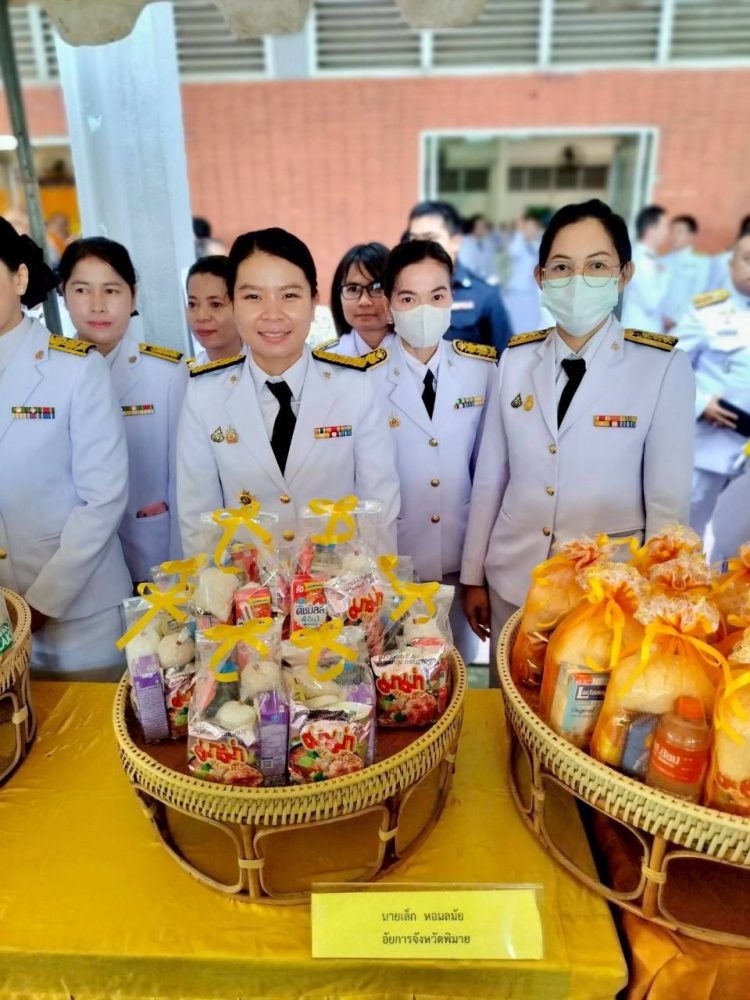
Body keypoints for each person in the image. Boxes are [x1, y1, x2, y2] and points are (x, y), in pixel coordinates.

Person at [460, 199, 695, 682]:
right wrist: (472, 576)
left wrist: (658, 601)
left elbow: (667, 505)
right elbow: (491, 478)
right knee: (510, 701)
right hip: (514, 581)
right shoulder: (516, 360)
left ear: (624, 274)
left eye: (597, 266)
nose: (578, 279)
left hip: (607, 595)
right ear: (541, 277)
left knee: (581, 715)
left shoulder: (660, 367)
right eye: (563, 267)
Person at [177, 227, 401, 552]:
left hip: (341, 580)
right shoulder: (204, 395)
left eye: (289, 295)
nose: (272, 314)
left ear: (313, 301)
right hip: (245, 582)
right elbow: (199, 523)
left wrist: (372, 583)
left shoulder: (355, 386)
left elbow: (379, 509)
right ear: (232, 303)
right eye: (253, 297)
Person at [0, 218, 131, 678]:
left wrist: (39, 604)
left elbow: (104, 498)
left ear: (19, 278)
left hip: (81, 618)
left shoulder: (74, 368)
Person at [369, 239, 495, 663]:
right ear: (388, 304)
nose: (424, 309)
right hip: (393, 566)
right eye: (409, 298)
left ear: (451, 300)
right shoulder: (361, 379)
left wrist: (477, 575)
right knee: (397, 675)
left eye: (437, 296)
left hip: (461, 564)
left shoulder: (481, 370)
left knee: (458, 668)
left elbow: (489, 475)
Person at [59, 238, 187, 585]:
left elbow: (185, 478)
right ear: (63, 293)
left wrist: (184, 570)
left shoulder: (166, 373)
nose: (97, 306)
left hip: (152, 557)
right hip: (73, 565)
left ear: (133, 295)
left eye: (111, 290)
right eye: (82, 290)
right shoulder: (49, 375)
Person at [672, 233, 750, 540]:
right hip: (710, 447)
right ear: (732, 265)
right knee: (686, 531)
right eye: (748, 259)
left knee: (738, 540)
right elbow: (667, 369)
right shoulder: (706, 315)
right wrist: (701, 403)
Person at [407, 201, 512, 353]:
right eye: (414, 240)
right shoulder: (399, 294)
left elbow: (506, 359)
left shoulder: (485, 295)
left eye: (430, 238)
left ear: (455, 242)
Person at [327, 242, 395, 357]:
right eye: (353, 289)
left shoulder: (420, 355)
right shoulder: (324, 361)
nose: (364, 302)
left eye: (377, 288)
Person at [620, 204, 670, 333]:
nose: (667, 232)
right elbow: (651, 303)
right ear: (651, 229)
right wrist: (665, 276)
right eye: (664, 226)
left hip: (647, 332)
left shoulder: (651, 258)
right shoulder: (639, 259)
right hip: (638, 332)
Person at [186, 255, 243, 365]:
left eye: (216, 304)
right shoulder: (185, 373)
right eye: (192, 304)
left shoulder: (269, 368)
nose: (201, 316)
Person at [503, 211, 549, 335]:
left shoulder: (536, 245)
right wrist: (519, 233)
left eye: (533, 228)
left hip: (532, 293)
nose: (531, 231)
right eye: (527, 228)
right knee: (515, 324)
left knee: (532, 324)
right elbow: (513, 252)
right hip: (517, 292)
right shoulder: (517, 244)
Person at [662, 215, 711, 329]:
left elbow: (698, 293)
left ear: (691, 235)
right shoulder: (663, 260)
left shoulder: (701, 261)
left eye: (679, 231)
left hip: (682, 322)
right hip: (658, 321)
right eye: (672, 231)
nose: (674, 236)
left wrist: (675, 318)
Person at [457, 214, 499, 284]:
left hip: (486, 282)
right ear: (473, 227)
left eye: (484, 226)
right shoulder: (465, 242)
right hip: (471, 281)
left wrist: (494, 280)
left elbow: (492, 264)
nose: (483, 228)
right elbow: (467, 266)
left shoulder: (487, 243)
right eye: (480, 226)